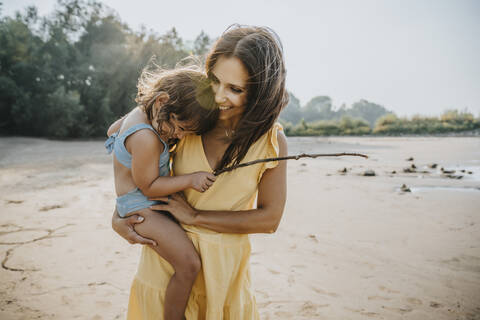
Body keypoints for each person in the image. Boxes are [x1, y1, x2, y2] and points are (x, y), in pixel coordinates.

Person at [112, 25, 289, 319]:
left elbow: (269, 219)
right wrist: (118, 217)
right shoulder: (185, 124)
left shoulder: (271, 142)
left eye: (235, 89)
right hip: (163, 274)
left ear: (260, 93)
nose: (220, 97)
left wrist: (195, 217)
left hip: (224, 278)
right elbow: (134, 164)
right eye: (215, 82)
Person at [106, 66, 218, 320]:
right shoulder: (146, 138)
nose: (178, 135)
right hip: (141, 208)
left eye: (185, 133)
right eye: (178, 126)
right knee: (189, 265)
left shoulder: (137, 115)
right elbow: (149, 186)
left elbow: (112, 131)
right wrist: (191, 179)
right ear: (162, 101)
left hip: (134, 202)